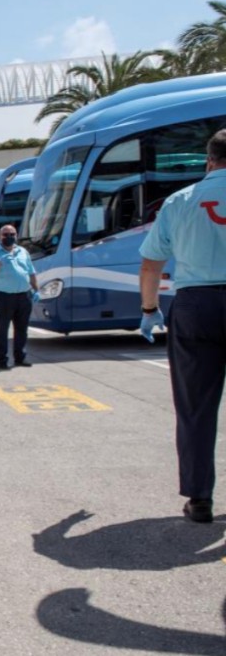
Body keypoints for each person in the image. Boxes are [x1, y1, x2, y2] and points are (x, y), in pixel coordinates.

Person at [139, 128, 226, 524]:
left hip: (195, 305)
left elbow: (152, 263)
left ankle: (200, 497)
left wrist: (149, 308)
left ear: (210, 161)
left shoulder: (179, 202)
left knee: (195, 408)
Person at [0, 224, 39, 370]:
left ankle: (20, 357)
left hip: (23, 295)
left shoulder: (22, 251)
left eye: (12, 234)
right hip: (4, 296)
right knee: (2, 329)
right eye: (6, 235)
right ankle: (2, 359)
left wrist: (36, 290)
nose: (9, 237)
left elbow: (31, 272)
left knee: (22, 328)